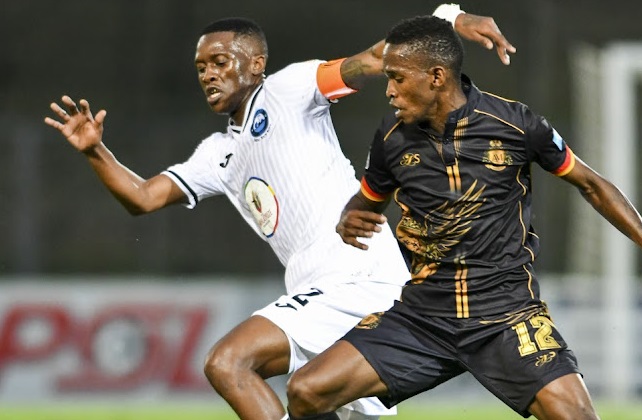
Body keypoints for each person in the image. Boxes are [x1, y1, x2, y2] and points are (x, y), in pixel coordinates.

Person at [43, 6, 516, 420]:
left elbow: (376, 58)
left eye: (220, 61)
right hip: (315, 284)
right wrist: (95, 151)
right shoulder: (216, 153)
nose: (208, 74)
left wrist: (449, 17)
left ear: (256, 64)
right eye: (200, 67)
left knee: (229, 362)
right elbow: (143, 197)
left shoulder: (290, 89)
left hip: (355, 273)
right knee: (314, 404)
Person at [284, 15, 642, 420]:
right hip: (423, 318)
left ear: (436, 76)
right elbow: (365, 205)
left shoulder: (516, 124)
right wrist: (349, 217)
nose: (389, 91)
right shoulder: (392, 138)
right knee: (306, 392)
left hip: (507, 317)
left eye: (397, 78)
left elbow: (592, 184)